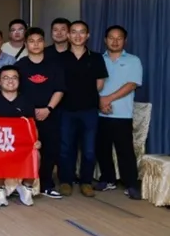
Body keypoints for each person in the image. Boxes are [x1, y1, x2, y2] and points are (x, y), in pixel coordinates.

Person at [58, 20, 108, 198]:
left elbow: (99, 84)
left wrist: (85, 94)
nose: (78, 36)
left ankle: (86, 182)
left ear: (87, 35)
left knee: (89, 149)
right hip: (66, 110)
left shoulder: (96, 58)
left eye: (82, 32)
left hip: (89, 110)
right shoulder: (60, 58)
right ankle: (66, 181)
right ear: (68, 35)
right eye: (74, 32)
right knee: (66, 148)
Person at [16, 27, 65, 199]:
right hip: (26, 117)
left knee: (49, 150)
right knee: (25, 151)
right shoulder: (20, 65)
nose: (35, 44)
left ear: (44, 43)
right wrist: (28, 111)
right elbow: (14, 90)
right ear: (25, 44)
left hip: (50, 114)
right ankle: (22, 185)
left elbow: (59, 89)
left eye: (39, 41)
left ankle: (46, 185)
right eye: (31, 41)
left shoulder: (54, 65)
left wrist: (48, 109)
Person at [96, 25, 142, 199]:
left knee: (125, 151)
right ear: (105, 40)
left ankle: (131, 184)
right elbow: (90, 84)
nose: (115, 41)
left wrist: (108, 99)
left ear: (125, 40)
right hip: (100, 113)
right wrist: (100, 102)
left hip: (123, 114)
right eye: (111, 38)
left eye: (119, 38)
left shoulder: (133, 60)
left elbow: (131, 84)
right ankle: (107, 179)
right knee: (102, 149)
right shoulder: (98, 59)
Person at [0, 65, 36, 206]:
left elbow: (31, 125)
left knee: (35, 153)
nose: (10, 81)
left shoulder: (26, 100)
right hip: (0, 141)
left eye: (14, 78)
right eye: (6, 78)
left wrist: (35, 140)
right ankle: (0, 189)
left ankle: (26, 187)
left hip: (22, 142)